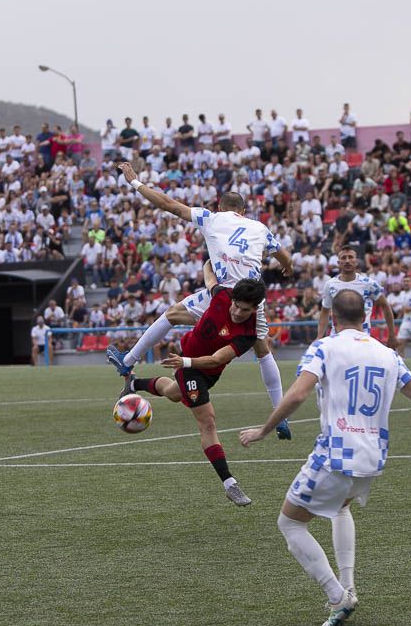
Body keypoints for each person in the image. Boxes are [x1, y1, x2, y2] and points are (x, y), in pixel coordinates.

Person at [239, 291, 411, 626]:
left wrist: (265, 428)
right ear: (365, 316)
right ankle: (348, 586)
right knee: (340, 508)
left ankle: (337, 595)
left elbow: (299, 392)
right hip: (373, 457)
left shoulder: (325, 347)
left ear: (332, 318)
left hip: (335, 452)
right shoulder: (389, 355)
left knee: (290, 523)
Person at [107, 162, 297, 438]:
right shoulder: (260, 227)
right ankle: (280, 415)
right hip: (253, 300)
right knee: (262, 349)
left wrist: (135, 183)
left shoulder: (211, 218)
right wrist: (288, 267)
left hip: (220, 295)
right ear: (243, 212)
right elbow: (284, 256)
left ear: (220, 208)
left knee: (172, 314)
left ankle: (129, 359)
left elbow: (170, 205)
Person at [120, 278, 268, 507]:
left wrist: (185, 361)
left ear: (255, 308)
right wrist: (211, 260)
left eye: (245, 310)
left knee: (174, 392)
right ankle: (229, 483)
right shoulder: (221, 295)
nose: (238, 312)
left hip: (207, 369)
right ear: (231, 299)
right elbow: (210, 276)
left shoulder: (249, 333)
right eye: (236, 305)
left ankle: (134, 384)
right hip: (191, 366)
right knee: (207, 422)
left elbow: (218, 359)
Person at [316, 248, 396, 341]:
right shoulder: (330, 285)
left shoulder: (369, 283)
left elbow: (385, 306)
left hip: (362, 338)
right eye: (343, 258)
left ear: (356, 261)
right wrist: (319, 336)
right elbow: (325, 312)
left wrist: (392, 335)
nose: (347, 261)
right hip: (338, 339)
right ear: (338, 263)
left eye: (350, 257)